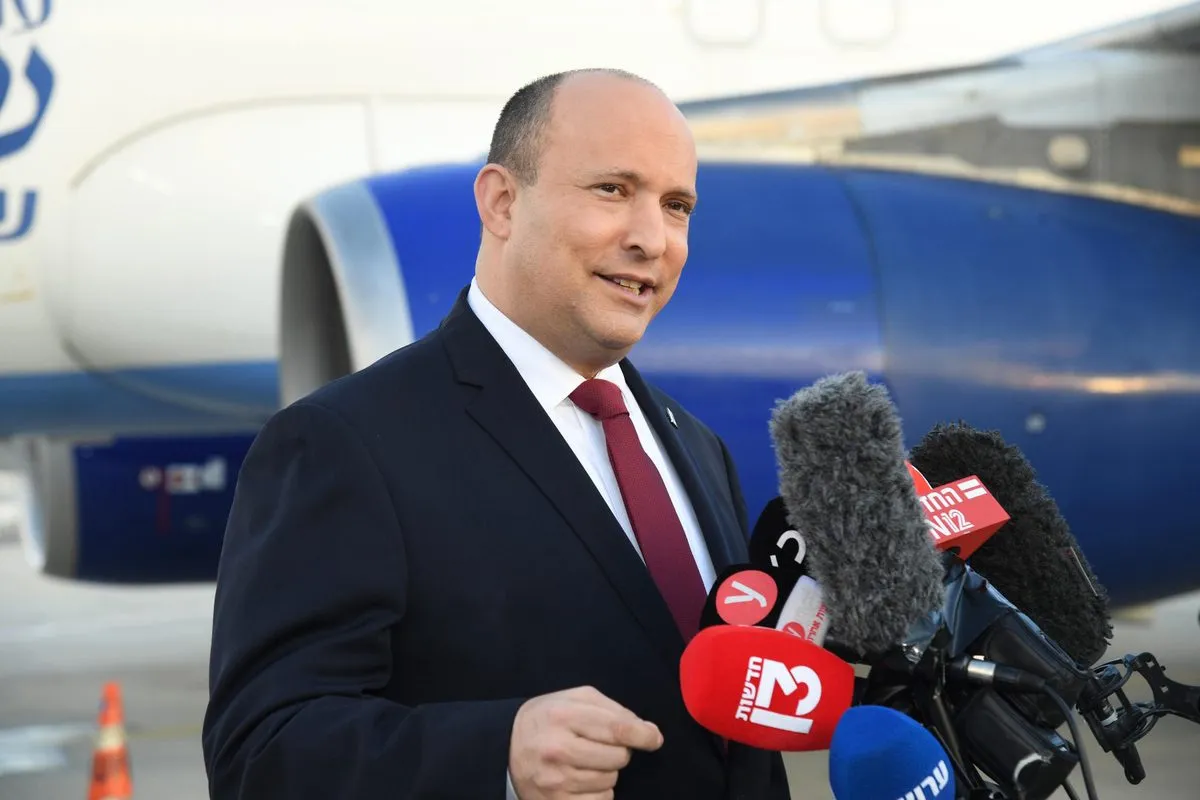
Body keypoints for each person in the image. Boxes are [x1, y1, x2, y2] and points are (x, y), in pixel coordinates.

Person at [202, 68, 792, 799]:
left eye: (677, 206)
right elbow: (260, 754)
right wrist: (496, 757)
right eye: (613, 190)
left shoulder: (697, 448)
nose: (651, 239)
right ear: (502, 202)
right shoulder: (345, 443)